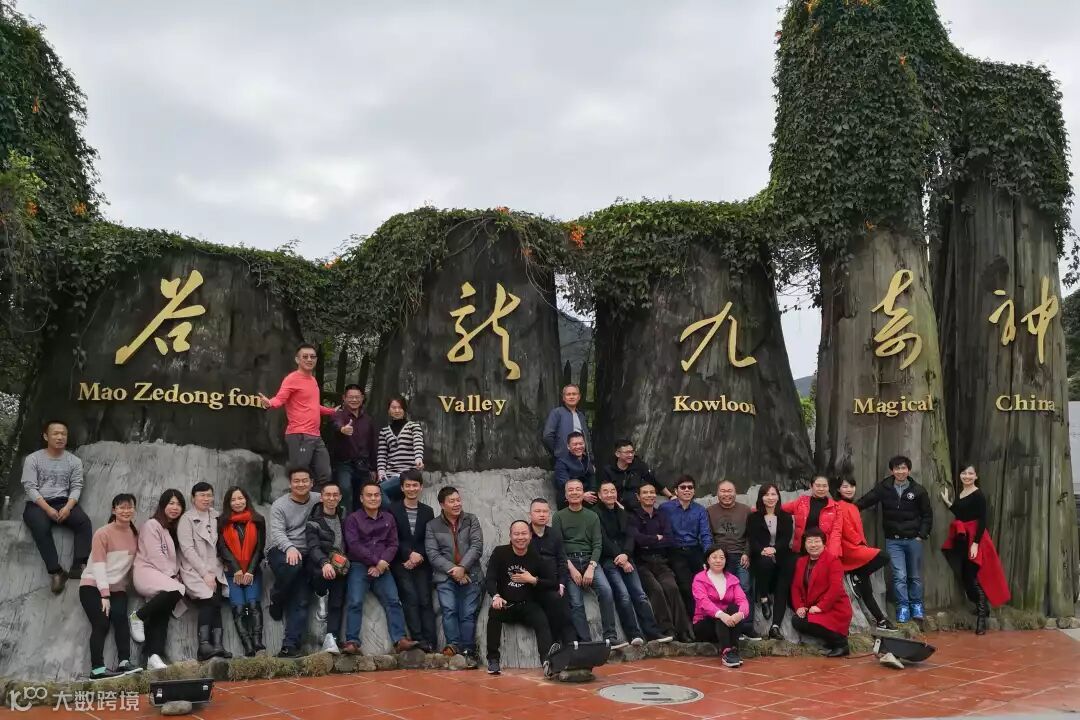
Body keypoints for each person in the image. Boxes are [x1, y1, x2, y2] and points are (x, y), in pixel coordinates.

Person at [342, 482, 418, 654]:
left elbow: (393, 544)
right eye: (369, 495)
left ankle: (400, 640)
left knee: (393, 601)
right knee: (355, 601)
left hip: (383, 566)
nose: (373, 498)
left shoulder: (389, 518)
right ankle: (352, 642)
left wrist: (383, 562)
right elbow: (354, 545)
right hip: (359, 565)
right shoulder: (353, 519)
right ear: (361, 498)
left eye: (376, 495)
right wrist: (377, 561)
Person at [856, 455, 933, 623]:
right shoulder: (885, 488)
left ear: (909, 470)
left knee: (915, 576)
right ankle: (903, 607)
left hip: (913, 540)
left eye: (903, 468)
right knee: (899, 576)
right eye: (897, 468)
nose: (900, 471)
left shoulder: (918, 490)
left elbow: (927, 515)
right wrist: (849, 507)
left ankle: (917, 605)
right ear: (892, 471)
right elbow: (867, 500)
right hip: (893, 540)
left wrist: (921, 535)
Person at [21, 419, 93, 593]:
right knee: (40, 526)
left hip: (63, 501)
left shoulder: (74, 461)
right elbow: (30, 487)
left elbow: (76, 486)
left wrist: (68, 507)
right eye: (55, 433)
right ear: (46, 436)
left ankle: (78, 565)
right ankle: (56, 572)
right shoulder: (33, 459)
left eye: (63, 434)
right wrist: (47, 509)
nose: (60, 437)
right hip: (38, 504)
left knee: (83, 522)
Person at [593, 480, 669, 643]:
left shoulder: (623, 513)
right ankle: (634, 634)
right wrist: (620, 557)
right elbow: (602, 540)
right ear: (599, 495)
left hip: (627, 558)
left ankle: (653, 632)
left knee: (640, 595)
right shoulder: (595, 514)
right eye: (605, 491)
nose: (610, 494)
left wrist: (626, 555)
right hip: (609, 560)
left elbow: (630, 536)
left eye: (612, 491)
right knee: (624, 595)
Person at [941, 464, 1010, 635]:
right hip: (963, 538)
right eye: (964, 473)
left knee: (972, 577)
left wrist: (976, 543)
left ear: (976, 476)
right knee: (966, 577)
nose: (967, 476)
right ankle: (983, 606)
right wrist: (949, 503)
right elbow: (961, 513)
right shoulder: (961, 493)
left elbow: (982, 520)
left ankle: (982, 618)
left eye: (970, 473)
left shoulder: (978, 495)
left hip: (975, 538)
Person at [79, 493, 141, 679]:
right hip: (92, 585)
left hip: (117, 588)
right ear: (114, 510)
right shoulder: (103, 533)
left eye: (129, 507)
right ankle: (97, 669)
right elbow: (99, 566)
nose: (126, 511)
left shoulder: (135, 534)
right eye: (121, 507)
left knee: (121, 618)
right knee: (101, 622)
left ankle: (124, 662)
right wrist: (104, 595)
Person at [555, 479, 623, 646]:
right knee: (576, 601)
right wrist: (571, 569)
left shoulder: (592, 516)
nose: (575, 492)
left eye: (578, 489)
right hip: (569, 562)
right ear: (565, 495)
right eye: (571, 490)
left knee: (606, 591)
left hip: (589, 560)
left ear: (583, 492)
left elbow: (597, 544)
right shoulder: (558, 516)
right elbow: (558, 546)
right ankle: (585, 641)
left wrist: (592, 567)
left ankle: (610, 636)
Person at [483, 520, 558, 675]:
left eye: (524, 533)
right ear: (510, 536)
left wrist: (532, 580)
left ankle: (547, 661)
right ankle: (493, 659)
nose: (520, 537)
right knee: (494, 614)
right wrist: (496, 596)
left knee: (542, 621)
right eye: (516, 534)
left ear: (530, 535)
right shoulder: (500, 552)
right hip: (505, 603)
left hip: (527, 604)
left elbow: (552, 582)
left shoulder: (536, 556)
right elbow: (490, 578)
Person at [259, 343, 335, 489]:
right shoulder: (292, 379)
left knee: (325, 474)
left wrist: (332, 411)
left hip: (316, 436)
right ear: (297, 359)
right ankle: (296, 502)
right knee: (300, 476)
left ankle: (317, 502)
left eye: (312, 357)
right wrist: (269, 403)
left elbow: (313, 406)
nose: (309, 359)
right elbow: (280, 399)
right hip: (299, 435)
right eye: (305, 357)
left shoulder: (313, 380)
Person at [425, 486, 483, 667]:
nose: (457, 504)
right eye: (452, 501)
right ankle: (453, 646)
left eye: (458, 500)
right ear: (442, 505)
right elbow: (433, 554)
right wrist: (455, 570)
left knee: (468, 613)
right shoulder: (432, 525)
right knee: (449, 609)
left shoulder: (471, 520)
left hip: (471, 573)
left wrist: (463, 568)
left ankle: (468, 650)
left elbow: (476, 547)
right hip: (445, 575)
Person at [267, 467, 321, 657]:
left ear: (311, 483)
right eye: (296, 481)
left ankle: (289, 646)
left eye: (305, 480)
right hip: (280, 550)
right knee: (293, 565)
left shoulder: (318, 499)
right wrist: (290, 547)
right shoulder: (279, 505)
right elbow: (277, 532)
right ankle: (277, 597)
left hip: (307, 554)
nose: (301, 484)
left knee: (302, 599)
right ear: (290, 484)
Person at [130, 489, 187, 671]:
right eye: (171, 503)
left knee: (162, 612)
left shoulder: (172, 530)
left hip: (162, 575)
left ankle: (153, 655)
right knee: (177, 590)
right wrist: (172, 577)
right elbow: (155, 555)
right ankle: (138, 616)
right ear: (163, 505)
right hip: (147, 571)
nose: (175, 507)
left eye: (179, 504)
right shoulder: (152, 525)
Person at [630, 482, 693, 642]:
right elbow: (637, 540)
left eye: (652, 492)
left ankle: (684, 631)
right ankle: (667, 629)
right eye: (645, 493)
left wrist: (650, 541)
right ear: (638, 497)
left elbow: (669, 539)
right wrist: (655, 538)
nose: (649, 495)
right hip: (642, 563)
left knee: (672, 588)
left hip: (661, 561)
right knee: (656, 590)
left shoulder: (661, 515)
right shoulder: (633, 517)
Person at [177, 483, 231, 661]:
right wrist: (204, 573)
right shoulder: (186, 519)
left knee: (216, 603)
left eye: (209, 495)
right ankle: (204, 646)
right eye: (202, 495)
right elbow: (187, 549)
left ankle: (218, 645)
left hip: (216, 568)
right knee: (208, 599)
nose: (206, 499)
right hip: (194, 569)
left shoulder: (217, 516)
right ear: (193, 498)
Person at [836, 479, 896, 631]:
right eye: (845, 486)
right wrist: (860, 544)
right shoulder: (839, 506)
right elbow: (846, 529)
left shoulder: (853, 507)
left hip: (857, 548)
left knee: (866, 589)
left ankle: (880, 620)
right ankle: (855, 574)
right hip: (849, 548)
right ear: (838, 489)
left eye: (851, 486)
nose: (849, 489)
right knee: (884, 556)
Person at [388, 469, 438, 652]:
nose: (411, 489)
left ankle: (431, 642)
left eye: (415, 485)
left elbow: (429, 538)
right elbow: (392, 537)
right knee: (410, 598)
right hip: (400, 562)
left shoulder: (427, 511)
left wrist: (419, 555)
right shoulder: (392, 509)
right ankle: (418, 639)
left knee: (425, 599)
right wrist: (409, 554)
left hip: (422, 562)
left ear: (421, 487)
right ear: (401, 488)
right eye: (407, 485)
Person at [706, 480, 759, 640]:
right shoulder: (709, 511)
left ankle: (747, 626)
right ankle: (730, 627)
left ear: (735, 493)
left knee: (745, 588)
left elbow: (751, 535)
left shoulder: (746, 510)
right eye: (723, 491)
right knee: (725, 592)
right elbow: (708, 536)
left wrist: (747, 553)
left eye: (730, 491)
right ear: (717, 493)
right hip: (720, 557)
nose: (726, 494)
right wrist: (713, 557)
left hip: (741, 555)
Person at [217, 486, 266, 657]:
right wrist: (236, 569)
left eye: (240, 498)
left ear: (246, 499)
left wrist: (250, 571)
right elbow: (222, 548)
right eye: (233, 500)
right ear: (228, 503)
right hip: (232, 573)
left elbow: (260, 548)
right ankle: (247, 646)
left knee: (253, 605)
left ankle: (257, 642)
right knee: (238, 608)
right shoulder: (222, 522)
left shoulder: (258, 520)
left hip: (253, 571)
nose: (237, 502)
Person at [791, 529, 852, 657]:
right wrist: (799, 606)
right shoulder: (801, 562)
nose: (813, 545)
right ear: (805, 544)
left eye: (817, 541)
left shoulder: (833, 561)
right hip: (812, 607)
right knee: (797, 620)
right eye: (809, 541)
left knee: (811, 622)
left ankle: (841, 644)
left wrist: (820, 607)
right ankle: (831, 641)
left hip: (834, 608)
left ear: (824, 543)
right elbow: (796, 587)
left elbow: (835, 588)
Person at [305, 478, 349, 655]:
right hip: (321, 564)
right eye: (328, 495)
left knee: (337, 602)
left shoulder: (345, 516)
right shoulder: (314, 521)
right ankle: (321, 596)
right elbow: (313, 547)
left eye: (335, 495)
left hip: (341, 566)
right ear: (321, 497)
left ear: (340, 497)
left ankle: (332, 639)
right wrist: (324, 563)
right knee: (322, 579)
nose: (331, 498)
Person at [527, 498, 578, 647]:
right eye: (537, 511)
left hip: (555, 583)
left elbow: (562, 560)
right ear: (530, 514)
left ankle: (572, 646)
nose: (542, 514)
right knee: (555, 603)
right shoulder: (524, 533)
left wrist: (562, 582)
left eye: (545, 511)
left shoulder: (555, 534)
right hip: (533, 584)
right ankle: (557, 643)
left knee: (565, 607)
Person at [747, 483, 794, 640]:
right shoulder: (753, 517)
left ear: (778, 497)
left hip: (781, 553)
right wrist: (762, 550)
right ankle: (764, 598)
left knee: (784, 580)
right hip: (760, 555)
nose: (770, 498)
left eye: (773, 494)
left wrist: (774, 549)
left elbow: (786, 538)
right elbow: (752, 540)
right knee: (764, 562)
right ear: (761, 497)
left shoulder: (785, 517)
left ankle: (775, 626)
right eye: (766, 495)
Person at [660, 475, 712, 617]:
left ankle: (707, 617)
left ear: (694, 491)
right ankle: (693, 619)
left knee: (703, 583)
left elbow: (705, 535)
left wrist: (708, 557)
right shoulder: (665, 508)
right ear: (676, 491)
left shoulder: (700, 510)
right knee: (686, 585)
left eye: (690, 487)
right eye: (683, 487)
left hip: (695, 550)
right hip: (675, 550)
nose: (687, 490)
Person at [692, 546, 750, 668]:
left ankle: (734, 649)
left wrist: (740, 614)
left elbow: (743, 600)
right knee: (720, 615)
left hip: (726, 624)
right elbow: (703, 602)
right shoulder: (699, 579)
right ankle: (727, 652)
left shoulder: (732, 579)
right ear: (708, 560)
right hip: (705, 624)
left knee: (734, 609)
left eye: (722, 558)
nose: (718, 560)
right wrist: (721, 615)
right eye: (714, 557)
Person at [331, 384, 378, 512]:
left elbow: (372, 445)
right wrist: (342, 429)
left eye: (357, 397)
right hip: (344, 464)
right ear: (344, 398)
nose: (354, 400)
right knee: (345, 489)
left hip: (363, 465)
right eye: (351, 397)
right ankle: (346, 520)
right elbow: (336, 424)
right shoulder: (339, 415)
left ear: (362, 398)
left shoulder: (368, 420)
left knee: (365, 494)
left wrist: (373, 468)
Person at [598, 439, 671, 512]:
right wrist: (619, 508)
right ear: (617, 454)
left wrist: (670, 496)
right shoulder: (608, 470)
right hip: (616, 506)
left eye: (632, 452)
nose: (630, 455)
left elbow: (654, 481)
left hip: (638, 506)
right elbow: (606, 492)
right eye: (627, 452)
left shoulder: (639, 465)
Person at [377, 396, 425, 507]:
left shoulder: (413, 426)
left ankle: (391, 514)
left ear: (404, 409)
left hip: (406, 474)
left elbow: (418, 443)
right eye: (393, 408)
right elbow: (382, 454)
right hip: (389, 475)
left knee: (377, 490)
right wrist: (381, 471)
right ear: (389, 410)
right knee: (394, 503)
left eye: (400, 407)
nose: (397, 410)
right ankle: (394, 515)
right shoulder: (384, 431)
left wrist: (418, 458)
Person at [782, 475, 843, 556]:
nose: (821, 489)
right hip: (802, 549)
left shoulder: (835, 507)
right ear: (811, 486)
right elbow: (781, 509)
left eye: (824, 486)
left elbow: (836, 533)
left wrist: (831, 555)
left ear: (828, 487)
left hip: (823, 550)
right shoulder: (801, 502)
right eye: (818, 485)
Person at [542, 384, 591, 466]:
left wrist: (590, 459)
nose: (571, 397)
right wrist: (558, 451)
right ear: (563, 398)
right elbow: (547, 436)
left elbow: (587, 438)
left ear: (579, 397)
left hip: (582, 460)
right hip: (563, 460)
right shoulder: (557, 413)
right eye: (568, 394)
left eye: (574, 394)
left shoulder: (581, 416)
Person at [553, 432, 596, 509]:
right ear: (568, 446)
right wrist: (582, 495)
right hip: (568, 498)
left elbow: (592, 477)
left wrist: (592, 493)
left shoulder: (587, 459)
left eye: (581, 443)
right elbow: (564, 484)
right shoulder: (561, 462)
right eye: (575, 444)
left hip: (588, 496)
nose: (578, 446)